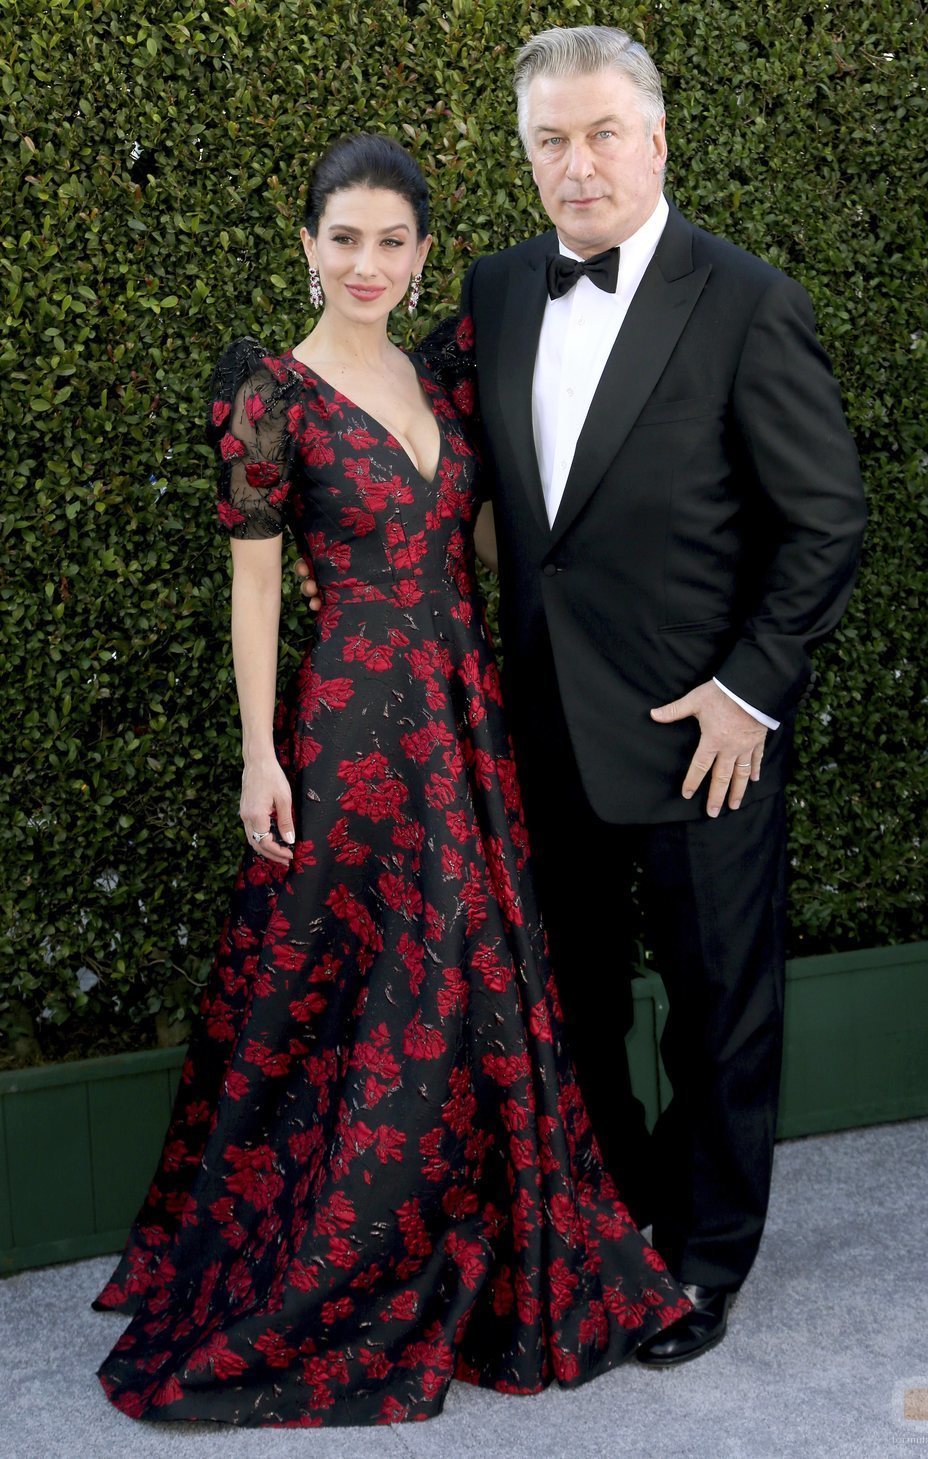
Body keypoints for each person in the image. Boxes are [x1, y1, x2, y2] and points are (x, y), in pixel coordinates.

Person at [91, 133, 690, 1428]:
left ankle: (474, 1228)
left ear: (421, 255)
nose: (367, 263)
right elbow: (258, 586)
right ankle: (348, 1247)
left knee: (470, 972)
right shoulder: (273, 394)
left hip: (465, 718)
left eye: (392, 241)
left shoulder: (445, 379)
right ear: (308, 245)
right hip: (352, 732)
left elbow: (503, 533)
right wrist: (259, 754)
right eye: (345, 238)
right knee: (362, 987)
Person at [296, 27, 868, 1369]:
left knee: (721, 1010)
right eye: (551, 139)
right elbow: (410, 432)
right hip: (541, 728)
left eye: (604, 133)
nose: (580, 164)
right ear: (527, 155)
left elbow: (826, 521)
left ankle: (706, 1259)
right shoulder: (497, 291)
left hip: (702, 735)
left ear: (655, 141)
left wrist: (749, 694)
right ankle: (611, 1231)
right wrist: (312, 498)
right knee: (577, 1005)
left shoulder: (747, 301)